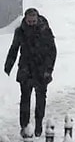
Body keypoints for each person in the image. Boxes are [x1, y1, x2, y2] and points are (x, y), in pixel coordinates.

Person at [4, 8, 57, 138]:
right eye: (29, 21)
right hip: (25, 69)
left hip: (41, 70)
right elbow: (14, 48)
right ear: (25, 19)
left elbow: (52, 51)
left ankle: (38, 124)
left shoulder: (45, 30)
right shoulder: (20, 31)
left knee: (40, 99)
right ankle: (24, 125)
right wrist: (8, 65)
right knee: (25, 99)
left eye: (33, 21)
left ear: (37, 19)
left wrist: (49, 69)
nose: (31, 23)